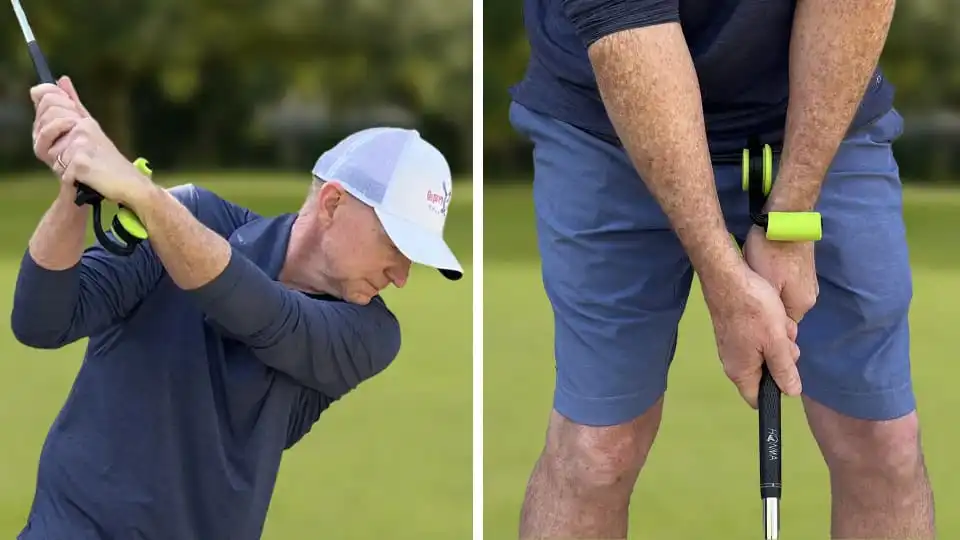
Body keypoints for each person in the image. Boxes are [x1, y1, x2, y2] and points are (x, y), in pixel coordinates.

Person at [508, 1, 934, 538]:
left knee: (882, 442)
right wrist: (723, 277)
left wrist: (794, 217)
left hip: (822, 104)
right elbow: (629, 33)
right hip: (609, 119)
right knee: (596, 450)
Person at [13, 77, 463, 539]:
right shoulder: (189, 214)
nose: (402, 275)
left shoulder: (370, 335)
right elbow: (42, 321)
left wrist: (144, 197)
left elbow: (263, 315)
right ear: (332, 203)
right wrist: (79, 183)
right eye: (395, 244)